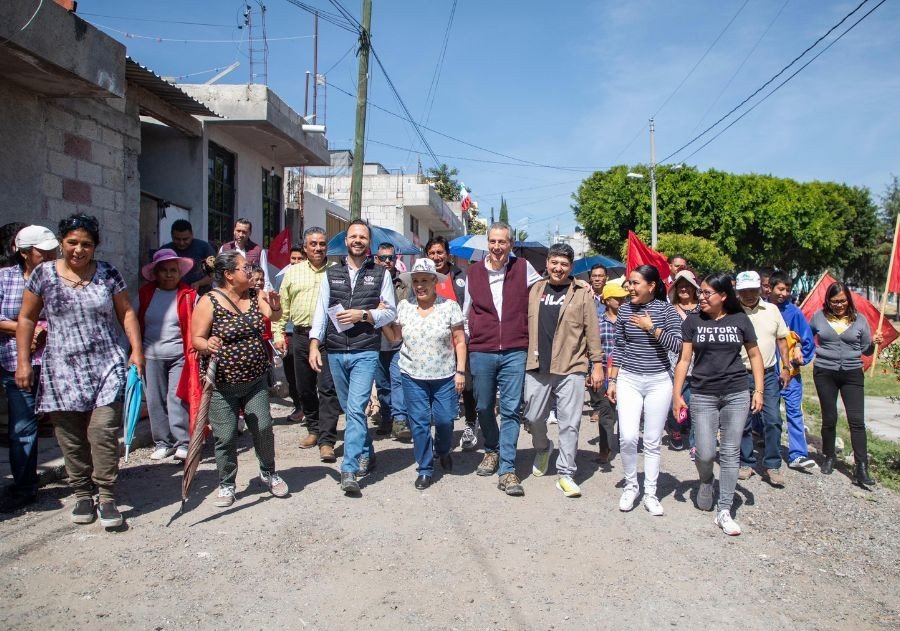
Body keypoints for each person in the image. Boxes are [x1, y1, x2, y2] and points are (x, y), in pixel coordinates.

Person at [15, 214, 143, 529]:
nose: (78, 249)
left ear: (95, 247)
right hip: (62, 369)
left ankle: (107, 494)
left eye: (86, 244)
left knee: (101, 432)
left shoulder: (108, 274)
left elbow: (126, 312)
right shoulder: (43, 275)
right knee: (70, 438)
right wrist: (22, 362)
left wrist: (136, 352)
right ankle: (83, 493)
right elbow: (27, 318)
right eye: (72, 242)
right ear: (62, 243)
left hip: (106, 365)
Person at [191, 251, 288, 508]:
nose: (251, 271)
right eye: (245, 268)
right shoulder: (208, 301)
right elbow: (196, 339)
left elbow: (274, 317)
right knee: (225, 435)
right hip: (222, 384)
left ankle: (268, 472)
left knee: (264, 426)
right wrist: (206, 343)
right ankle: (226, 483)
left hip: (255, 380)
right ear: (229, 274)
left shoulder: (257, 295)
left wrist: (276, 306)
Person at [308, 220, 397, 495]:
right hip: (335, 351)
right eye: (353, 236)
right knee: (351, 409)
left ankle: (349, 469)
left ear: (368, 243)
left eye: (362, 237)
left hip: (365, 350)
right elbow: (321, 313)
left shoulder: (380, 274)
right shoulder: (330, 274)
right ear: (346, 241)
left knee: (357, 410)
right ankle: (367, 451)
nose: (358, 240)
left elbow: (391, 312)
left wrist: (366, 315)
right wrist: (314, 344)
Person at [673, 273, 765, 536]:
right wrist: (677, 394)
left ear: (723, 296)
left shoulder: (740, 320)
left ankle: (724, 509)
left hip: (736, 392)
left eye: (706, 293)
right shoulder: (693, 321)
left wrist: (758, 390)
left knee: (730, 450)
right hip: (703, 394)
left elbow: (755, 355)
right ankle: (705, 480)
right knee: (704, 452)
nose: (700, 297)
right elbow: (684, 359)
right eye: (700, 293)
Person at [464, 222, 542, 496]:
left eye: (503, 242)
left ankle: (507, 469)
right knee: (484, 405)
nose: (498, 247)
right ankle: (492, 449)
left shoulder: (523, 268)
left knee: (510, 410)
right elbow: (466, 312)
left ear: (511, 244)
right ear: (488, 243)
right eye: (493, 242)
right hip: (482, 349)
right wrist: (470, 341)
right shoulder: (473, 272)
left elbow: (542, 296)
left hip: (514, 349)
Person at [523, 244, 604, 498]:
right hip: (537, 365)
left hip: (572, 366)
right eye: (554, 263)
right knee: (533, 416)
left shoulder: (581, 292)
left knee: (570, 423)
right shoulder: (535, 289)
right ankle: (544, 446)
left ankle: (566, 472)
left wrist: (597, 364)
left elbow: (592, 330)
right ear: (547, 263)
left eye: (564, 264)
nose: (558, 268)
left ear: (571, 267)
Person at [607, 264, 682, 515]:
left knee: (651, 440)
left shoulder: (666, 310)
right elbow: (619, 346)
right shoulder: (625, 309)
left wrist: (652, 328)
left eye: (635, 283)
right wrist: (613, 380)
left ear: (651, 286)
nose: (630, 287)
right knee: (628, 437)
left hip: (659, 381)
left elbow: (678, 346)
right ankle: (631, 486)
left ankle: (650, 492)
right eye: (629, 283)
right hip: (629, 378)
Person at [389, 258, 466, 490]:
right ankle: (424, 467)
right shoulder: (405, 307)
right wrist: (380, 319)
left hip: (444, 376)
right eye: (416, 281)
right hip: (412, 375)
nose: (420, 285)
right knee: (420, 423)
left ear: (435, 281)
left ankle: (442, 450)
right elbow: (394, 338)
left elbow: (460, 341)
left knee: (444, 419)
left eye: (425, 280)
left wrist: (460, 371)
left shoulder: (449, 306)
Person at [0, 225, 58, 512]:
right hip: (16, 362)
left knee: (71, 423)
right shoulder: (4, 279)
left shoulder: (60, 277)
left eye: (52, 251)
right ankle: (24, 487)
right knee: (22, 427)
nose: (49, 256)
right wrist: (24, 328)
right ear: (24, 253)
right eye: (42, 252)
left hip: (58, 362)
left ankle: (90, 482)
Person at [273, 228, 341, 462]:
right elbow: (283, 307)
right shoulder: (292, 273)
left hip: (327, 339)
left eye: (322, 244)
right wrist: (278, 332)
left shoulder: (336, 272)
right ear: (305, 247)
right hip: (300, 337)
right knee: (304, 388)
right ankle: (313, 428)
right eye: (313, 244)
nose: (318, 248)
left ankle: (327, 440)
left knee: (328, 389)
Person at [808, 281, 883, 486]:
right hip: (825, 372)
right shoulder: (818, 317)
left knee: (857, 421)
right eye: (834, 301)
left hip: (852, 373)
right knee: (829, 417)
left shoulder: (860, 320)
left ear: (848, 300)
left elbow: (866, 350)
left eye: (842, 301)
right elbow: (806, 338)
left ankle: (861, 467)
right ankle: (829, 456)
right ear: (828, 301)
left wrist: (875, 343)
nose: (839, 305)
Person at [137, 248, 197, 463]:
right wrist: (133, 352)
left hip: (179, 355)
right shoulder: (144, 294)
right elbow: (134, 323)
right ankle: (163, 443)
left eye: (173, 270)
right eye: (164, 270)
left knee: (176, 398)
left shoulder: (189, 296)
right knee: (154, 401)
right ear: (156, 273)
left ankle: (183, 442)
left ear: (180, 273)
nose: (169, 274)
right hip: (150, 355)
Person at [734, 270, 792, 487]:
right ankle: (746, 462)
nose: (748, 294)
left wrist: (786, 367)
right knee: (743, 420)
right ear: (738, 291)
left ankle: (772, 464)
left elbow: (782, 341)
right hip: (739, 373)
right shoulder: (731, 311)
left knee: (773, 419)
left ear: (761, 289)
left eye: (752, 290)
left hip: (768, 374)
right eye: (744, 290)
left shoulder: (772, 310)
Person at [425, 235, 478, 450]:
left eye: (440, 252)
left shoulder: (462, 276)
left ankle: (470, 425)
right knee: (437, 388)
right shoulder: (423, 278)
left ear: (447, 254)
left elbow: (471, 305)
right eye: (432, 253)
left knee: (467, 384)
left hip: (460, 340)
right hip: (433, 344)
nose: (436, 257)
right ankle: (437, 431)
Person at [768, 270, 817, 470]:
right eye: (780, 288)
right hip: (767, 372)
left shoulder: (794, 313)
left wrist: (798, 358)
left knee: (794, 412)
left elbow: (807, 342)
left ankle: (797, 454)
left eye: (787, 289)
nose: (783, 293)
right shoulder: (762, 310)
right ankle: (767, 445)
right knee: (767, 413)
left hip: (791, 374)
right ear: (769, 288)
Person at [373, 242, 411, 441]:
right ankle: (386, 417)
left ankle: (400, 420)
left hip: (398, 339)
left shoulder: (404, 282)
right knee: (382, 383)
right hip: (375, 340)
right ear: (376, 259)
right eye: (383, 258)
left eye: (391, 258)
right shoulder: (370, 281)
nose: (387, 261)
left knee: (398, 380)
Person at [592, 282, 628, 464]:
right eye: (617, 298)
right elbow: (592, 347)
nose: (622, 301)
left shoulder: (631, 320)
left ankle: (626, 443)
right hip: (606, 373)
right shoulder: (598, 323)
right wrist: (591, 370)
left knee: (628, 410)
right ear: (606, 300)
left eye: (624, 298)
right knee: (606, 411)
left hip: (627, 370)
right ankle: (604, 449)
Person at [666, 269, 701, 452]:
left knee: (696, 404)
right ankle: (675, 431)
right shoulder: (669, 309)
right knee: (676, 398)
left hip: (699, 362)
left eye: (688, 286)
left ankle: (695, 442)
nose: (684, 289)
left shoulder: (703, 310)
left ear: (695, 289)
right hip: (673, 361)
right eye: (681, 286)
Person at [279, 246, 306, 422]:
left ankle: (311, 408)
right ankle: (299, 406)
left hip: (306, 331)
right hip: (288, 331)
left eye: (299, 259)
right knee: (291, 372)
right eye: (293, 258)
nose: (295, 262)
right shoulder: (282, 277)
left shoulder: (311, 278)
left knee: (306, 373)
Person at [160, 219, 216, 294]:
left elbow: (212, 274)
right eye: (177, 239)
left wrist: (199, 283)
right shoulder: (165, 251)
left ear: (192, 235)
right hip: (171, 295)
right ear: (171, 236)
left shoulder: (204, 248)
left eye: (185, 239)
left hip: (200, 294)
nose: (181, 243)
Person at [219, 218, 271, 289]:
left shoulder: (258, 251)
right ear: (234, 231)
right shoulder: (225, 249)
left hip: (251, 291)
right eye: (238, 231)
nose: (240, 234)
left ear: (250, 233)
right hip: (230, 291)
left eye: (244, 232)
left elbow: (265, 277)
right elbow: (218, 273)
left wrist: (265, 294)